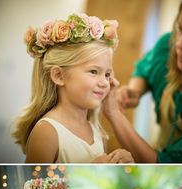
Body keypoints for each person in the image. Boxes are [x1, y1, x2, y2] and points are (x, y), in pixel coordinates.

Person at [12, 13, 134, 164]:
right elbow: (36, 187)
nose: (104, 82)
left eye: (107, 74)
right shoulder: (47, 132)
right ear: (59, 76)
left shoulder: (99, 134)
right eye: (94, 72)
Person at [102, 0, 182, 163]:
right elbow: (145, 69)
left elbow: (164, 165)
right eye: (180, 29)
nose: (179, 44)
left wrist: (113, 113)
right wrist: (135, 91)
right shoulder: (166, 47)